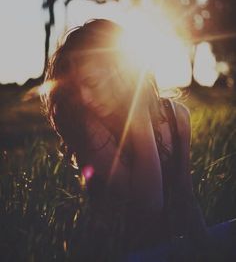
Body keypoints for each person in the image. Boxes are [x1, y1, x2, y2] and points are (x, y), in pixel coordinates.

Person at [42, 19, 208, 261]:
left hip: (169, 247)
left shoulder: (177, 117)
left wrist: (207, 248)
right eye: (76, 90)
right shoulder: (91, 126)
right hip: (116, 252)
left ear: (124, 73)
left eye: (92, 83)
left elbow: (184, 194)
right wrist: (139, 115)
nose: (85, 98)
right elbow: (148, 206)